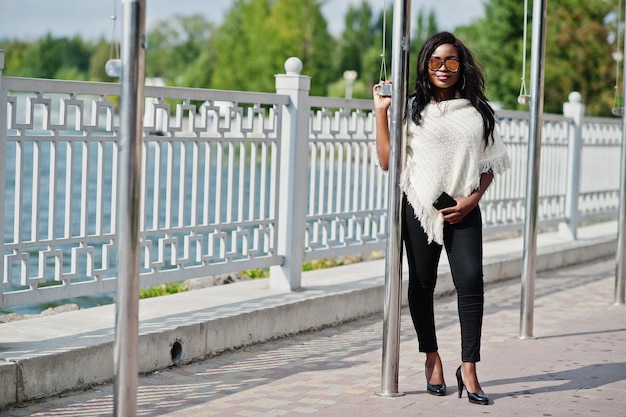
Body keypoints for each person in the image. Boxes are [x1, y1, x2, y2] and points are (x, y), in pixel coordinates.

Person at [373, 31, 510, 405]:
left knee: (470, 283)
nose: (444, 68)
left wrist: (471, 200)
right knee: (420, 284)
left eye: (451, 61)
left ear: (460, 65)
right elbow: (387, 161)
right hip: (419, 205)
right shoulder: (412, 109)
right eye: (436, 61)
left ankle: (469, 369)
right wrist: (381, 113)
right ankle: (431, 356)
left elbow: (489, 164)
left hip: (463, 208)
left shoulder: (478, 111)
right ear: (425, 66)